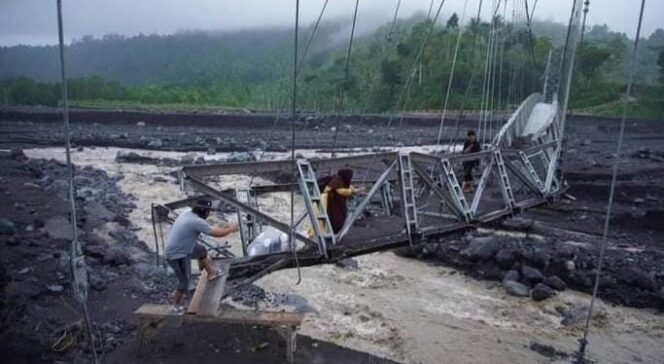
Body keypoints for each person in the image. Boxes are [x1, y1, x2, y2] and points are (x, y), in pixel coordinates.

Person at [163, 199, 239, 313]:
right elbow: (216, 233)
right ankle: (175, 306)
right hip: (177, 255)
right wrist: (231, 229)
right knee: (184, 281)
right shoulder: (197, 222)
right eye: (208, 211)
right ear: (203, 210)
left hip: (182, 247)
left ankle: (211, 273)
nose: (209, 213)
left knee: (201, 250)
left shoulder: (187, 213)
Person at [322, 169, 358, 234]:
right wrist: (352, 192)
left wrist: (356, 191)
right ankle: (332, 235)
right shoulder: (337, 180)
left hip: (337, 204)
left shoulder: (343, 181)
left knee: (339, 218)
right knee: (334, 219)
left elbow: (350, 187)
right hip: (330, 203)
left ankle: (335, 234)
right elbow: (340, 191)